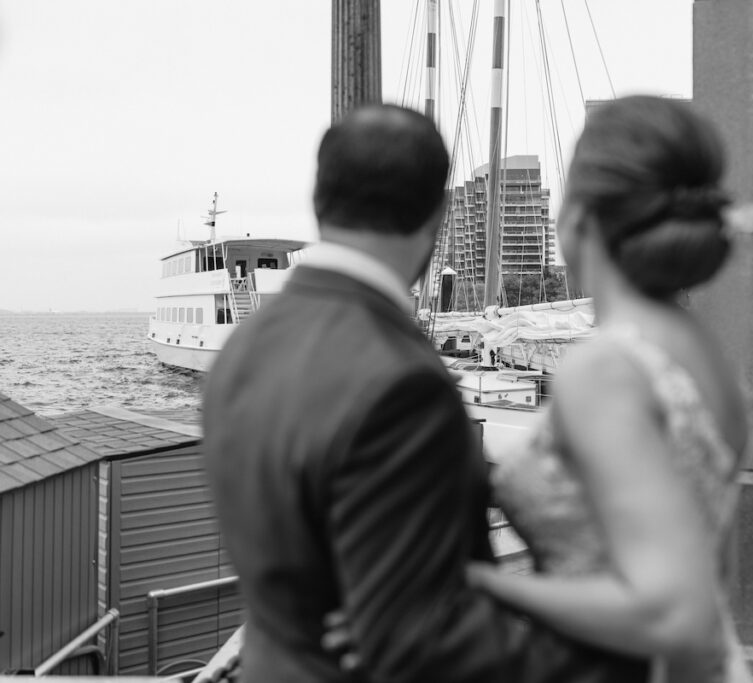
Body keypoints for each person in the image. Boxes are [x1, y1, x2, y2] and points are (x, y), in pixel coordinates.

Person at [202, 104, 648, 683]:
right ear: (438, 215)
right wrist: (616, 641)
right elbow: (420, 638)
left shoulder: (242, 349)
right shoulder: (400, 379)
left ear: (320, 201)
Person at [466, 96, 753, 682]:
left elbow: (672, 612)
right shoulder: (701, 351)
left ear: (578, 215)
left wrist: (482, 585)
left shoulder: (604, 368)